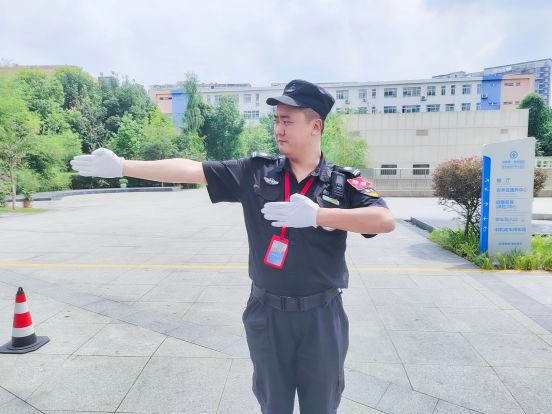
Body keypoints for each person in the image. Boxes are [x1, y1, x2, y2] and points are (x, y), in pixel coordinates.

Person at [70, 79, 395, 414]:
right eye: (276, 120)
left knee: (321, 407)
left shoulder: (341, 181)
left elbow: (384, 220)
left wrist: (319, 215)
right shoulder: (256, 171)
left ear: (316, 126)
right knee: (274, 406)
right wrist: (124, 166)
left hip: (321, 318)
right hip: (268, 315)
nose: (278, 129)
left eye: (287, 120)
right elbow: (192, 169)